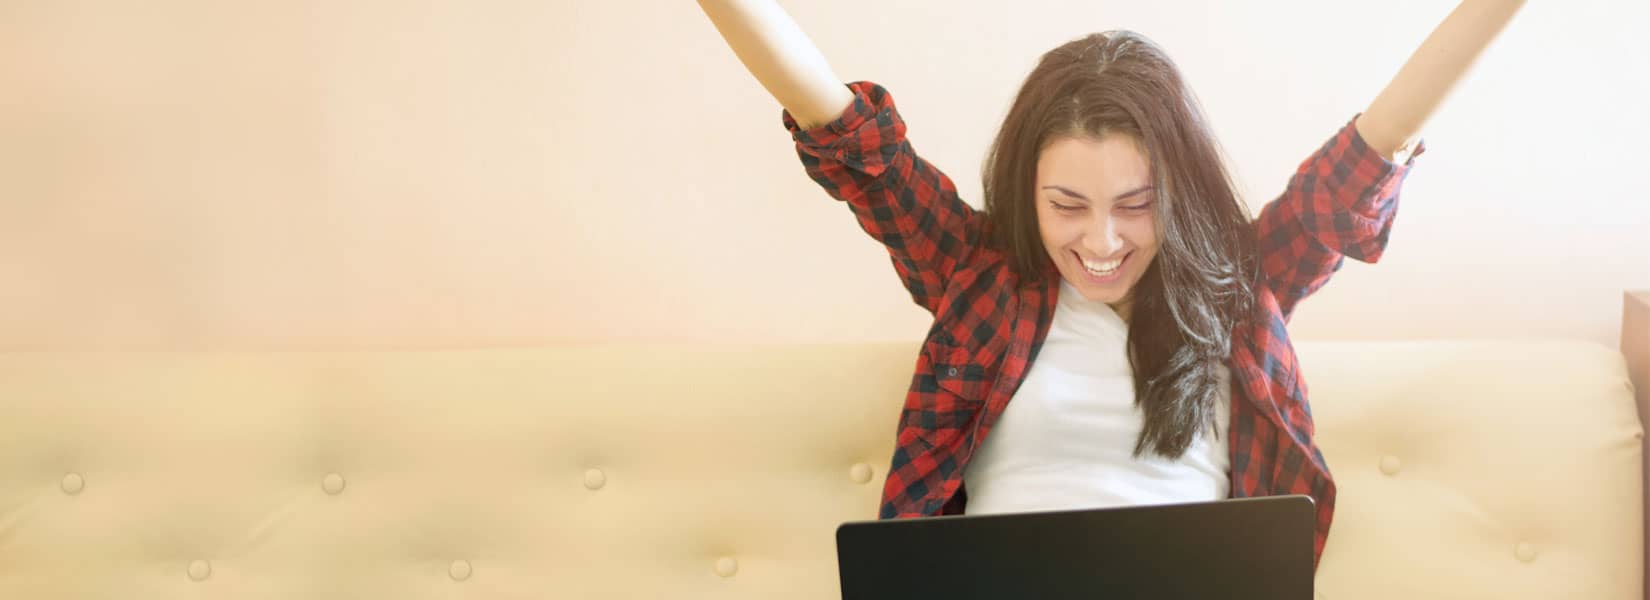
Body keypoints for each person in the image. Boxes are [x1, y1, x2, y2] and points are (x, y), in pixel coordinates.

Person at [696, 0, 1526, 569]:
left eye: (1137, 205)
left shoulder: (1240, 286)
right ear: (1028, 191)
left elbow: (1379, 143)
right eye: (1067, 205)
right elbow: (842, 128)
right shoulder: (976, 275)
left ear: (1181, 192)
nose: (1101, 241)